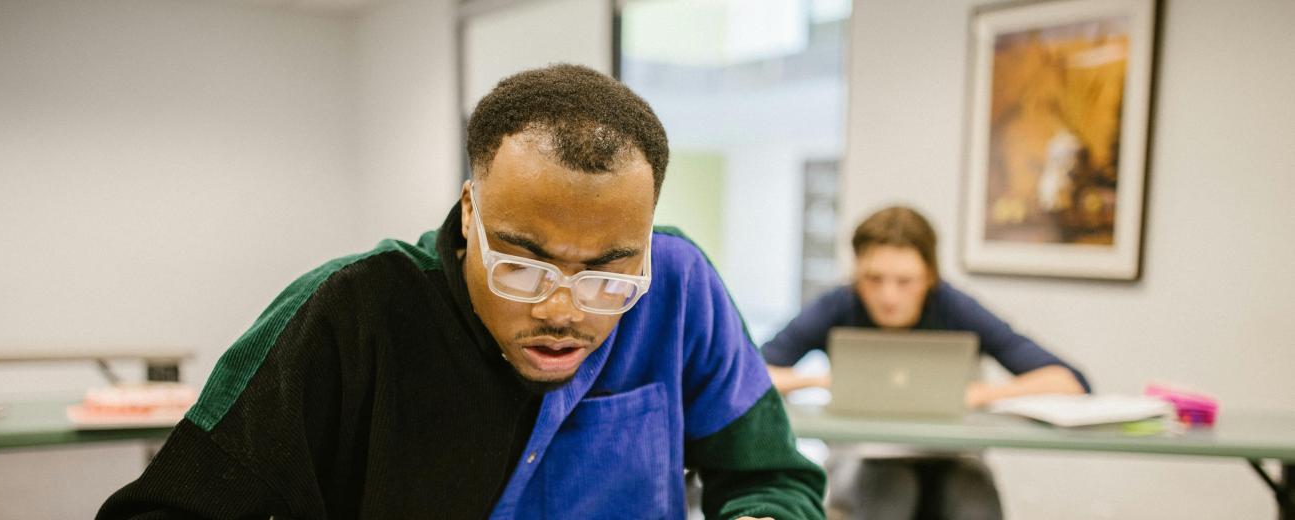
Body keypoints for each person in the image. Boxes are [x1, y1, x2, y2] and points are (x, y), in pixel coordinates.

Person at [97, 64, 825, 520]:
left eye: (608, 275)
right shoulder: (351, 312)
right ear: (470, 212)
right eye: (525, 265)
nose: (563, 311)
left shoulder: (680, 286)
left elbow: (772, 476)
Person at [761, 206, 1090, 520]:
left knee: (971, 494)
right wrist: (823, 380)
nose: (888, 296)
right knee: (890, 488)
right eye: (873, 279)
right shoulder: (838, 305)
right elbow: (751, 376)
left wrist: (978, 394)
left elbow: (1069, 382)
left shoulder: (954, 307)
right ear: (856, 272)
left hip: (951, 456)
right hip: (865, 457)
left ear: (930, 276)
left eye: (905, 281)